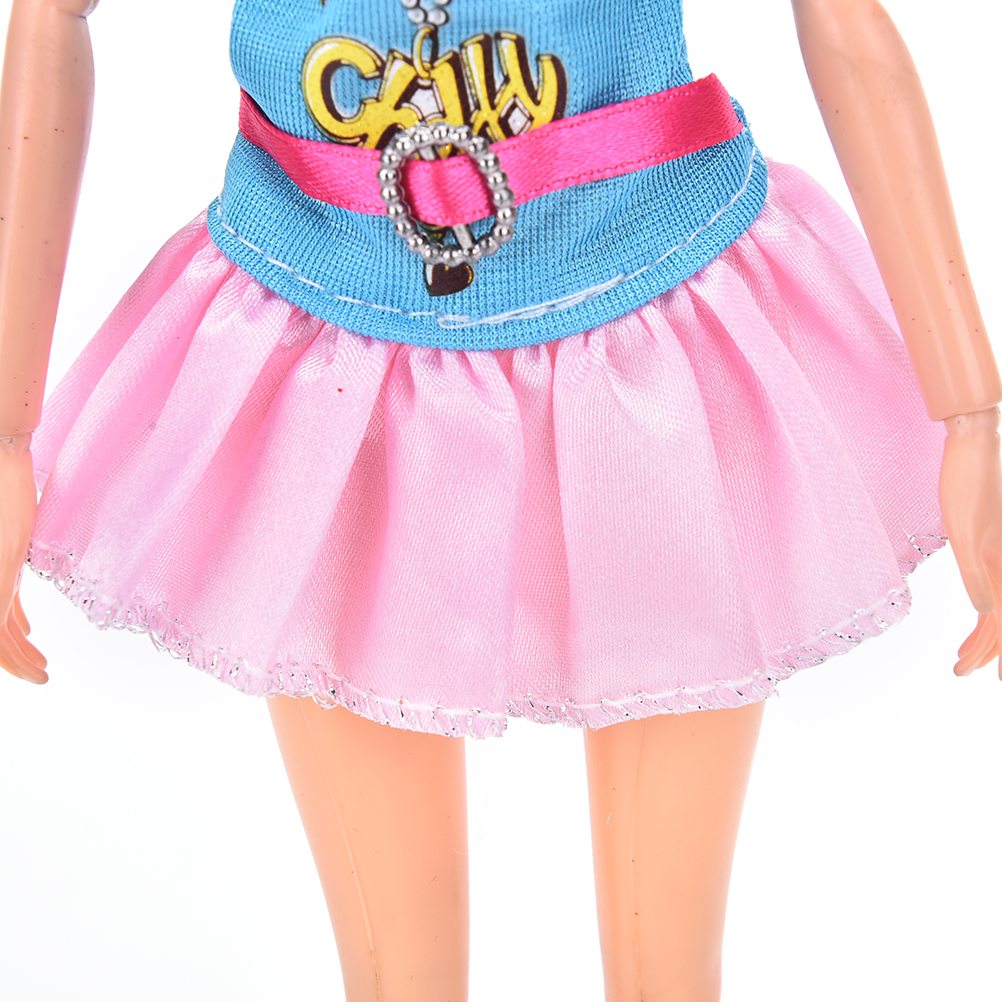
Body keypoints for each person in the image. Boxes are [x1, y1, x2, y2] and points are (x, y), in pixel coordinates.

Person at [1, 2, 1000, 1001]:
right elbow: (49, 17)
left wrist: (973, 410)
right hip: (332, 353)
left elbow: (841, 23)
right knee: (399, 973)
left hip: (650, 317)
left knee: (667, 967)